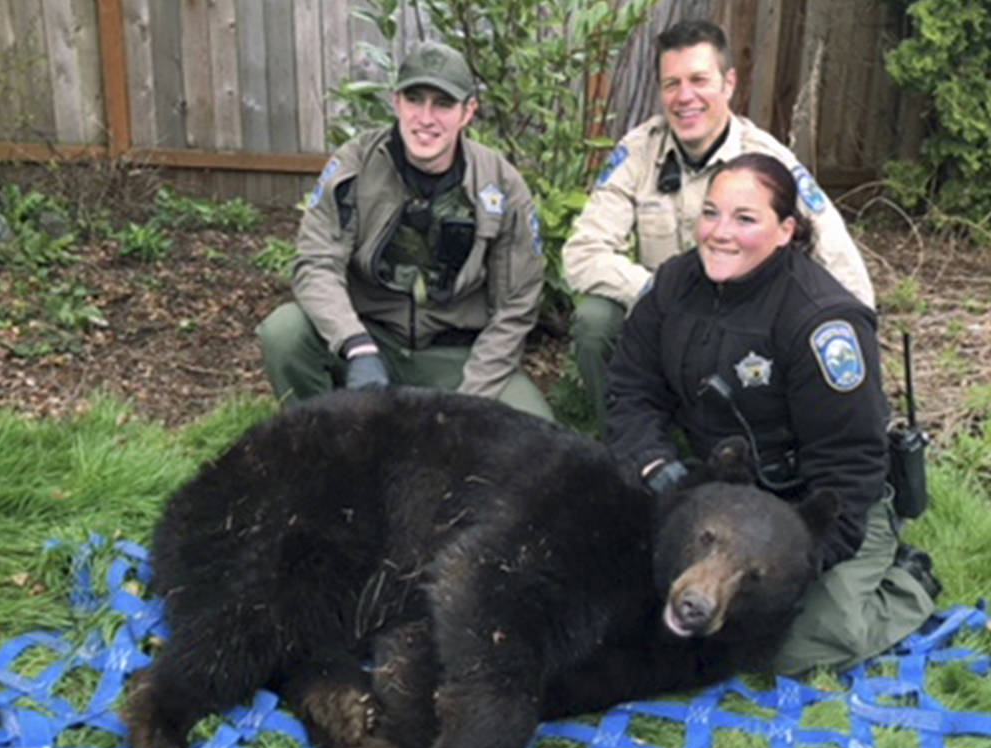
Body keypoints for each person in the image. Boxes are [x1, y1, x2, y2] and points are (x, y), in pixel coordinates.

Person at [605, 153, 936, 675]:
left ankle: (908, 582)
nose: (719, 233)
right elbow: (631, 390)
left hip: (823, 502)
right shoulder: (673, 283)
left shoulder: (824, 323)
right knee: (630, 597)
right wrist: (656, 469)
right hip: (724, 487)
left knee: (790, 648)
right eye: (710, 213)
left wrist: (795, 561)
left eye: (745, 219)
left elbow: (851, 468)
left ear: (785, 231)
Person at [563, 19, 873, 433]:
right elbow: (582, 253)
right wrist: (656, 293)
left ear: (728, 84)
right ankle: (625, 442)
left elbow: (844, 271)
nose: (684, 96)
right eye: (671, 83)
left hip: (745, 329)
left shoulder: (768, 162)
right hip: (665, 318)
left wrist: (852, 357)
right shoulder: (638, 153)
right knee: (594, 321)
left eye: (698, 79)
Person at [258, 41, 553, 420]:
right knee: (285, 332)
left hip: (458, 357)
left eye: (443, 104)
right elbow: (315, 264)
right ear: (396, 102)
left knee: (535, 429)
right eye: (415, 99)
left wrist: (468, 400)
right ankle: (329, 440)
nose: (425, 118)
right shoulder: (355, 165)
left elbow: (516, 305)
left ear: (468, 112)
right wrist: (356, 344)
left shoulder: (501, 185)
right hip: (369, 341)